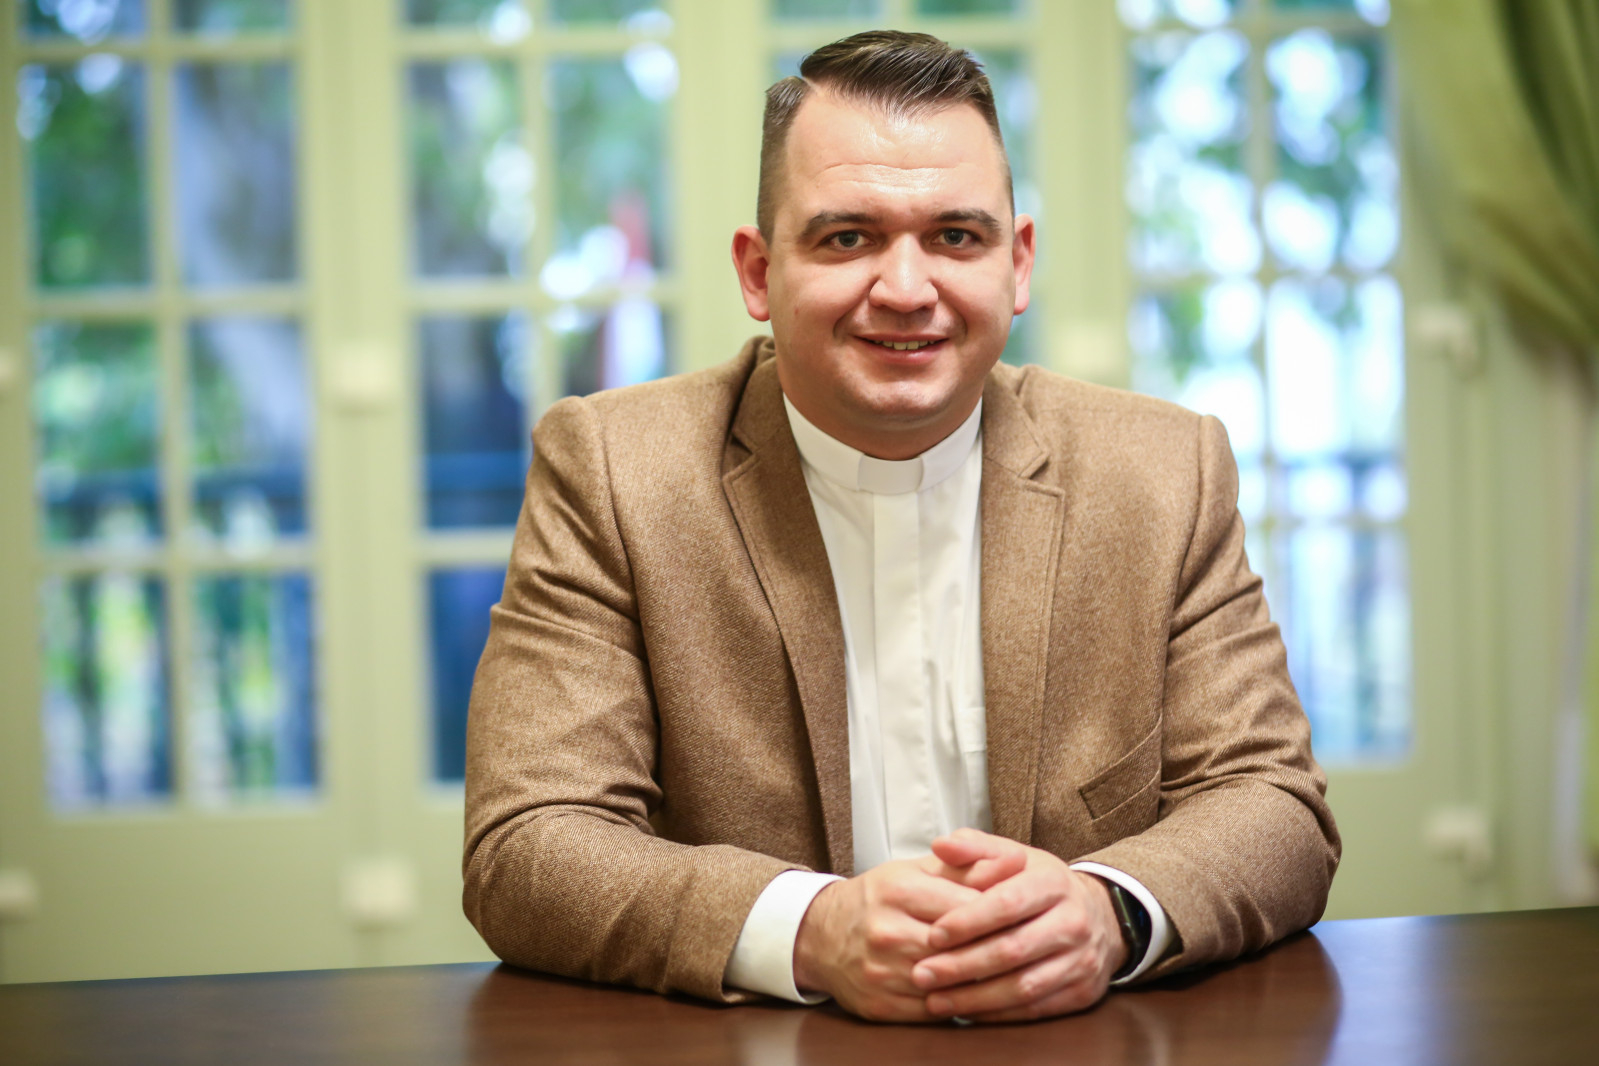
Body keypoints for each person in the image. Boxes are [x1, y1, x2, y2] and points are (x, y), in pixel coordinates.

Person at [463, 30, 1339, 1025]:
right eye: (848, 238)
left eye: (956, 237)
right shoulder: (613, 471)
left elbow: (1274, 804)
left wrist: (1108, 913)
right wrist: (811, 929)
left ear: (1017, 263)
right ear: (757, 271)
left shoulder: (1163, 470)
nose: (908, 290)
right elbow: (527, 844)